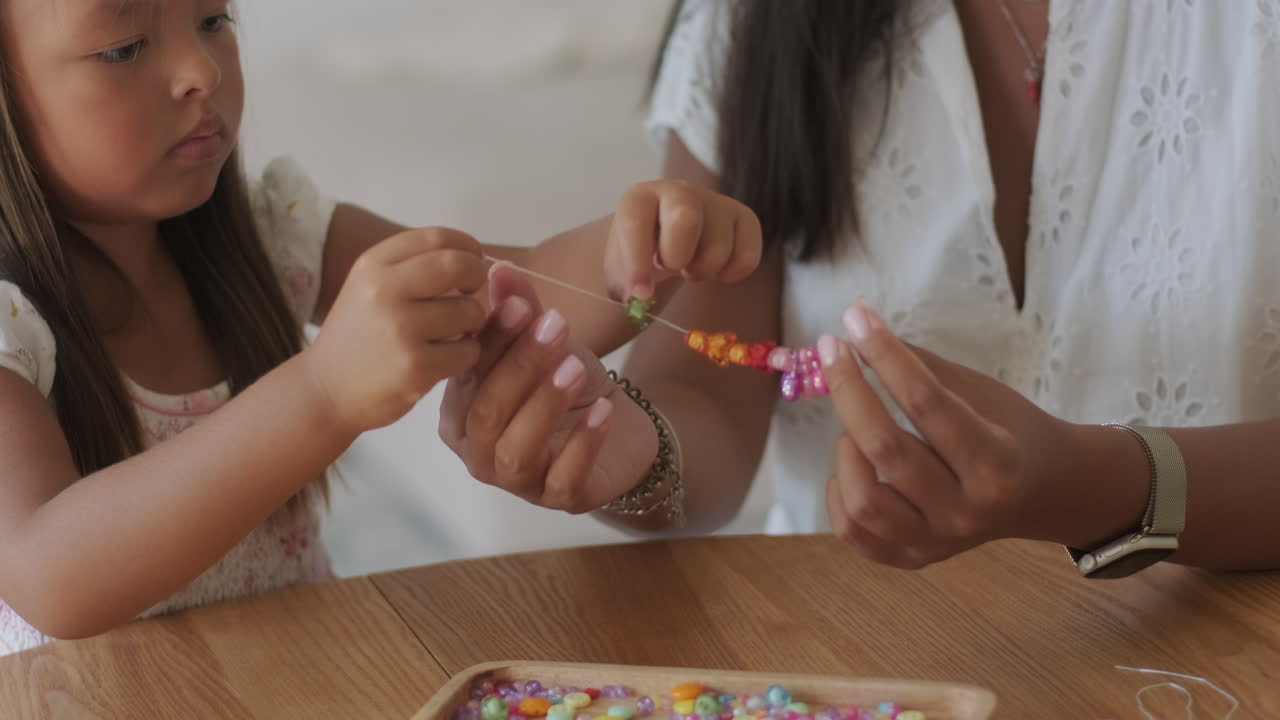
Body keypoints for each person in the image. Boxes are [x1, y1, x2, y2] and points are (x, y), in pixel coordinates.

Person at [0, 0, 760, 655]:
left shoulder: (271, 232)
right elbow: (50, 576)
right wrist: (325, 392)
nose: (201, 69)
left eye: (213, 20)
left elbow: (514, 292)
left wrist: (645, 244)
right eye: (124, 46)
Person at [441, 0, 1280, 573]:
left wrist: (1090, 485)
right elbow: (700, 409)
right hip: (851, 651)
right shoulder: (763, 24)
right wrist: (625, 454)